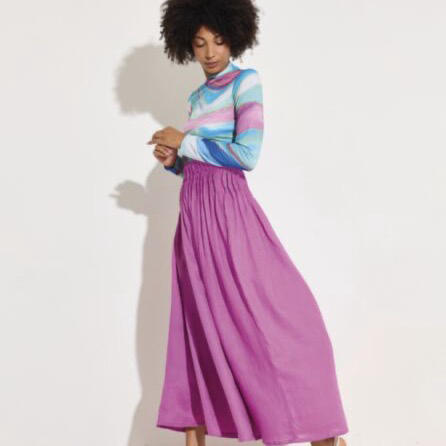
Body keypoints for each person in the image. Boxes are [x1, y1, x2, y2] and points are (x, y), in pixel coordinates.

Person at [149, 1, 349, 445]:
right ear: (186, 46)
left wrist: (186, 140)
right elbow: (200, 164)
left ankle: (319, 428)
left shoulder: (246, 83)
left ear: (234, 38)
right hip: (194, 218)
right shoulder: (196, 97)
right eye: (199, 43)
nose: (209, 52)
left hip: (228, 213)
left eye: (218, 41)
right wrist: (173, 161)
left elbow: (246, 155)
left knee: (266, 314)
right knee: (199, 326)